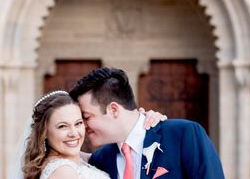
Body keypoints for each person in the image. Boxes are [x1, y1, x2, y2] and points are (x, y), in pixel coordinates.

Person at [69, 67, 225, 179]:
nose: (82, 126)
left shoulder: (184, 135)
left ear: (114, 110)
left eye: (87, 117)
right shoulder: (101, 159)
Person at [18, 90, 165, 179]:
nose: (74, 133)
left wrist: (139, 120)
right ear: (44, 132)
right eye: (62, 126)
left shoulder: (80, 160)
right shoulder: (63, 172)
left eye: (78, 123)